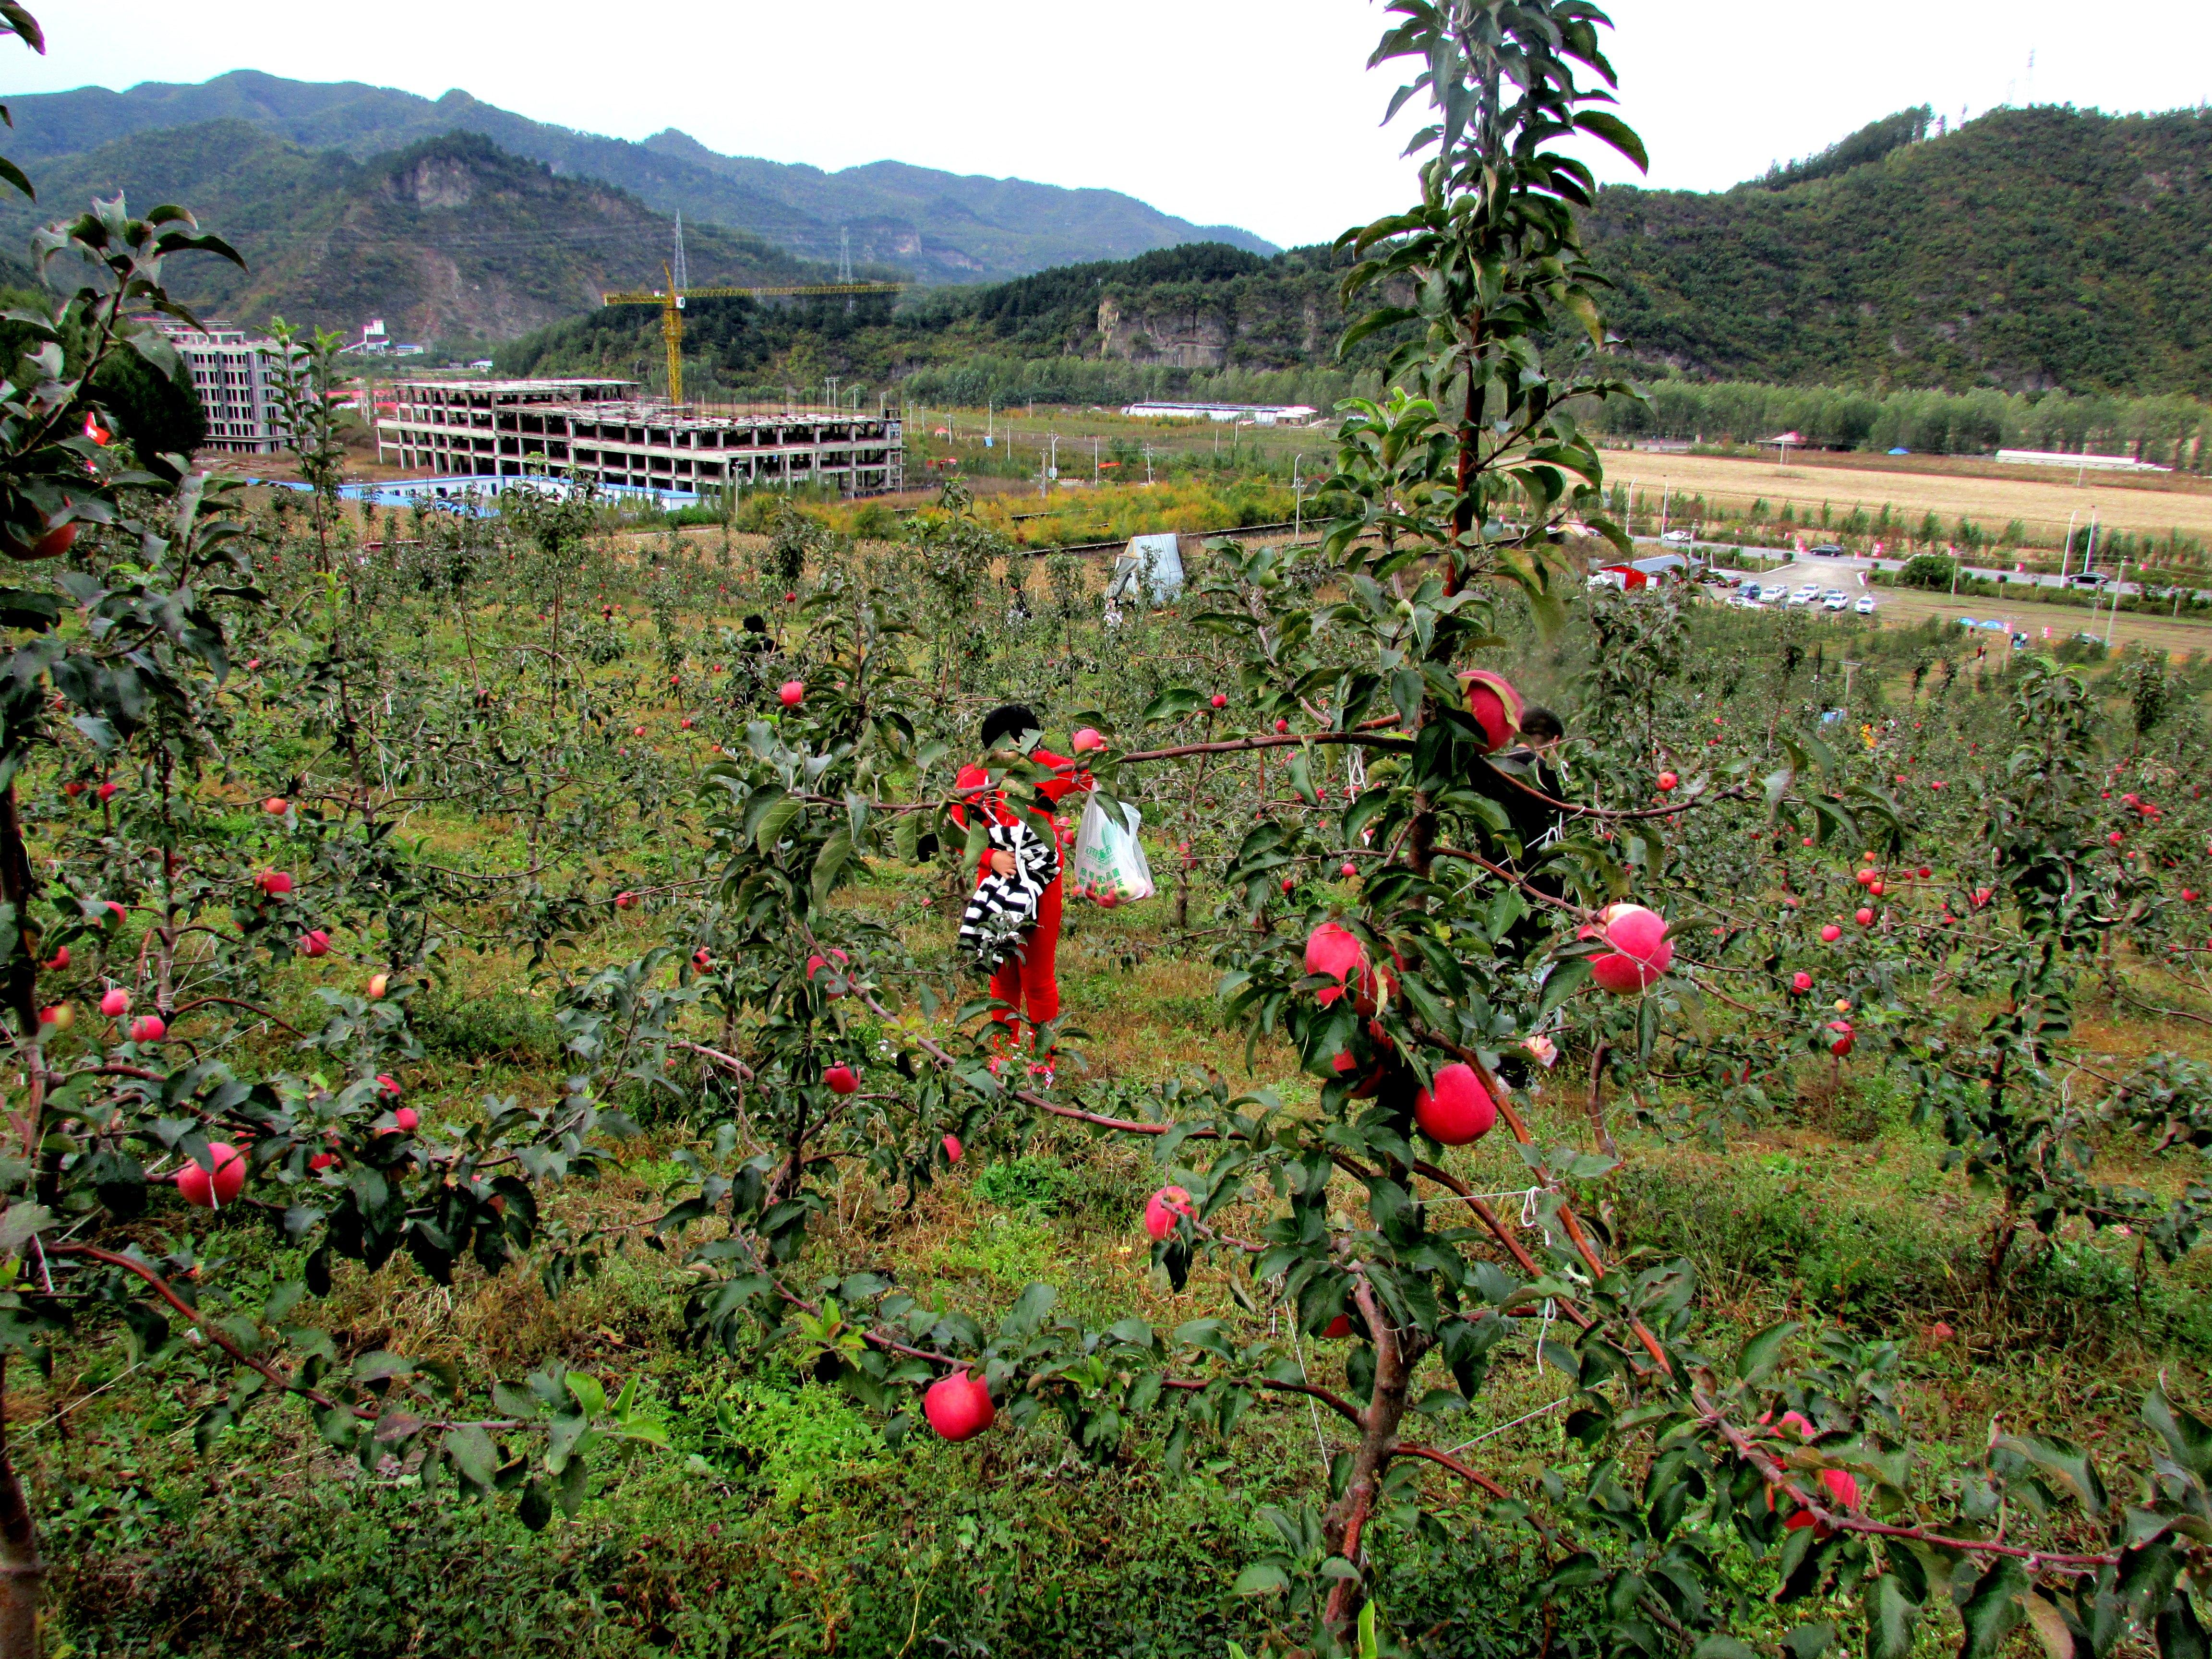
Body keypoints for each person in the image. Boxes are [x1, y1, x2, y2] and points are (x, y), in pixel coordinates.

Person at [951, 705, 1086, 1066]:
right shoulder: (973, 779)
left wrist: (1094, 750)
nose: (1027, 750)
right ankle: (1003, 1056)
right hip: (995, 886)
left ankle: (1044, 1061)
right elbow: (957, 829)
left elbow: (1087, 777)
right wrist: (989, 858)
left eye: (1031, 744)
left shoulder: (1045, 770)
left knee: (1038, 978)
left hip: (1042, 887)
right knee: (1003, 973)